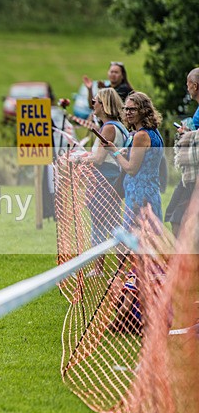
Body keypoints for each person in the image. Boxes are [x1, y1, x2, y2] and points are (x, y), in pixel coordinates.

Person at [79, 88, 128, 274]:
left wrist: (78, 159)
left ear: (104, 104)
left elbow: (99, 159)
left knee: (104, 224)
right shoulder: (118, 126)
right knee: (109, 223)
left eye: (95, 101)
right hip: (111, 179)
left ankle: (107, 269)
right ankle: (114, 268)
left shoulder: (108, 128)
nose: (93, 104)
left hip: (104, 180)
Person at [101, 91, 164, 227]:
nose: (128, 113)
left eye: (132, 109)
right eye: (126, 109)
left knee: (136, 237)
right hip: (152, 191)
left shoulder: (140, 136)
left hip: (139, 196)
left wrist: (114, 150)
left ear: (143, 111)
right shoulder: (154, 132)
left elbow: (131, 169)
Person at [166, 68, 199, 235]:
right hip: (191, 175)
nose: (187, 88)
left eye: (188, 84)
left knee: (177, 218)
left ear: (195, 86)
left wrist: (188, 134)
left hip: (195, 175)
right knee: (174, 215)